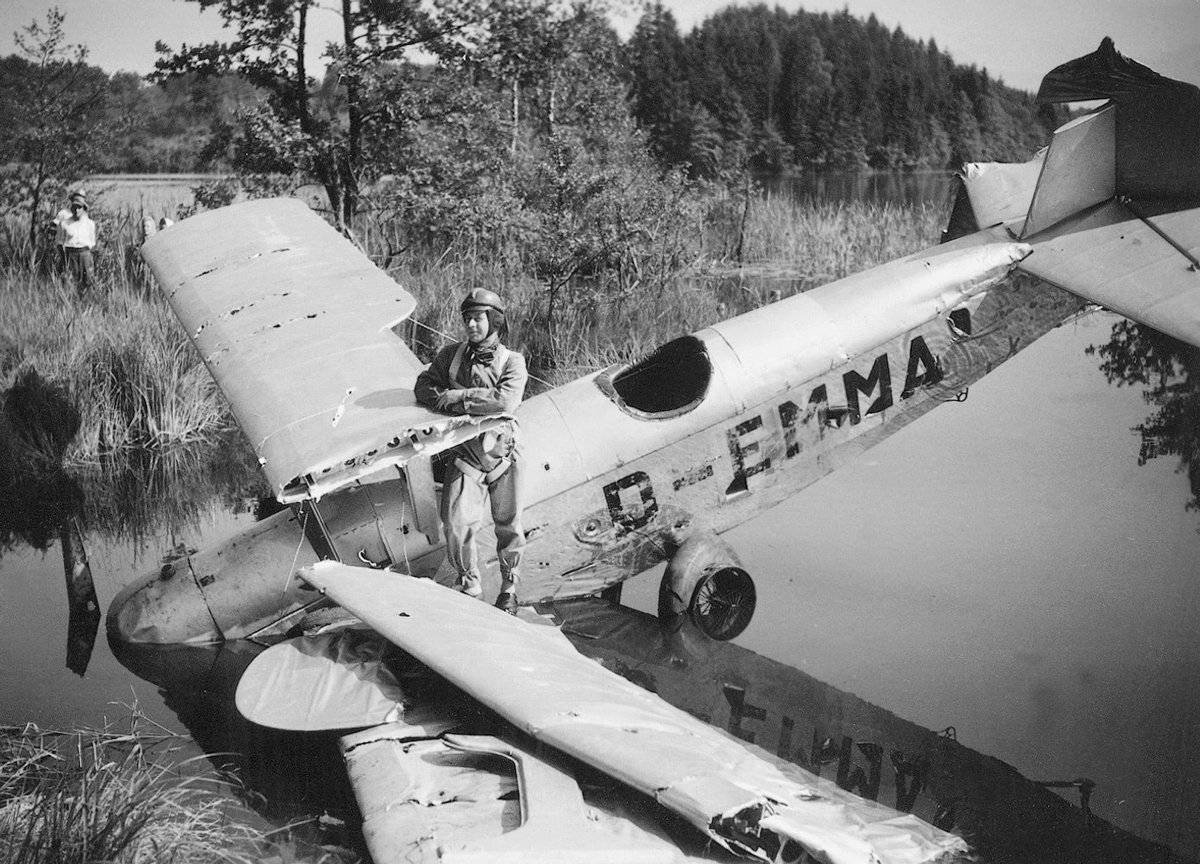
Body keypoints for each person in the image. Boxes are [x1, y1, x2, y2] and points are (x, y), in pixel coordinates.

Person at [415, 289, 528, 614]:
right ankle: (470, 584)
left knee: (509, 525)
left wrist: (458, 398)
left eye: (477, 318)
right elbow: (423, 386)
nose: (471, 325)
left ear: (494, 320)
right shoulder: (450, 355)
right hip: (466, 456)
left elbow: (505, 401)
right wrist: (441, 396)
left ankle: (509, 589)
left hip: (503, 454)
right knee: (454, 524)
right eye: (467, 318)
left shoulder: (513, 361)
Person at [55, 191, 97, 290]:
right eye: (74, 207)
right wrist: (64, 259)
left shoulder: (90, 224)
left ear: (84, 209)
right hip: (70, 254)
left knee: (87, 281)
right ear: (71, 208)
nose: (77, 210)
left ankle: (85, 302)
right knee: (69, 281)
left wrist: (86, 255)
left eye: (79, 207)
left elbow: (92, 242)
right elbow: (59, 242)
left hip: (85, 254)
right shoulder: (64, 223)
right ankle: (69, 302)